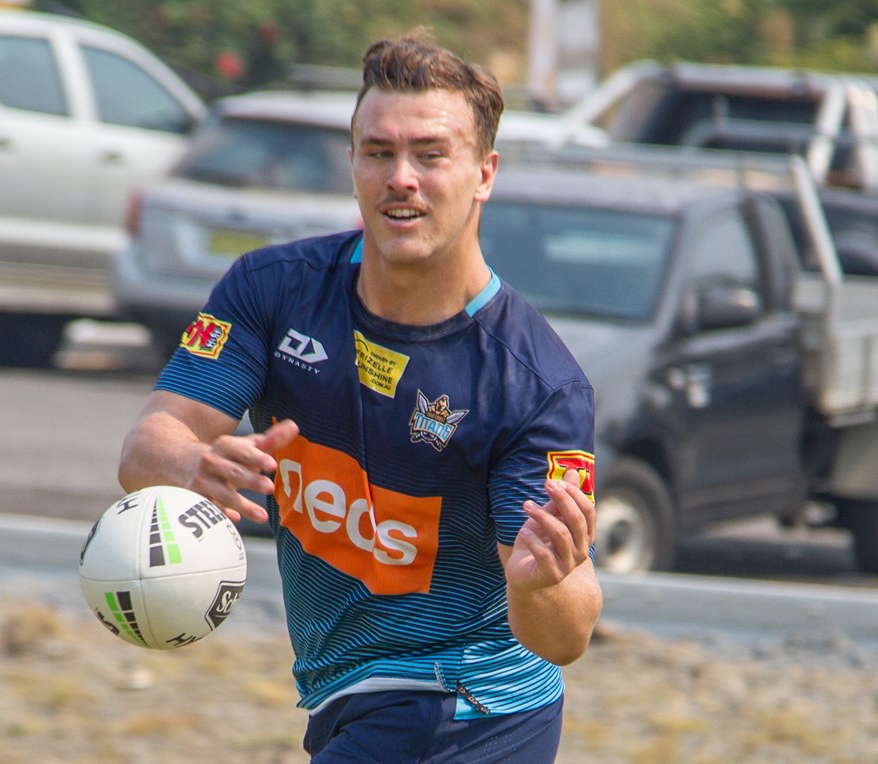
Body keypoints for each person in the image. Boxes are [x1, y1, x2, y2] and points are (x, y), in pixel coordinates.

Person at [116, 29, 600, 763]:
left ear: (484, 174)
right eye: (379, 152)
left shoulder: (536, 386)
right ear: (352, 164)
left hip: (467, 703)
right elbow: (145, 447)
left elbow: (566, 636)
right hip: (348, 694)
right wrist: (186, 465)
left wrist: (539, 588)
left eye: (430, 155)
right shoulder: (271, 291)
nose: (401, 177)